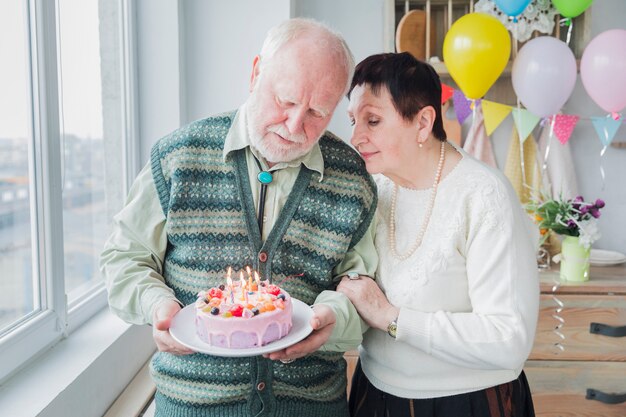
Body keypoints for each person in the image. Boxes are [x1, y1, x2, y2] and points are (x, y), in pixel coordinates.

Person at [100, 18, 378, 417]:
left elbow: (361, 284)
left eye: (318, 111)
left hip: (310, 407)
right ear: (255, 73)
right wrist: (157, 305)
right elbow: (124, 258)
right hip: (194, 405)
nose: (296, 125)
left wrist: (334, 317)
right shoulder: (179, 157)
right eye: (285, 101)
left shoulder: (352, 179)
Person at [337, 52, 540, 417]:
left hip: (467, 402)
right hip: (375, 395)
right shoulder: (374, 186)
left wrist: (392, 317)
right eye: (353, 120)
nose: (355, 137)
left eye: (373, 120)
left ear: (423, 122)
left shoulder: (483, 194)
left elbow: (509, 338)